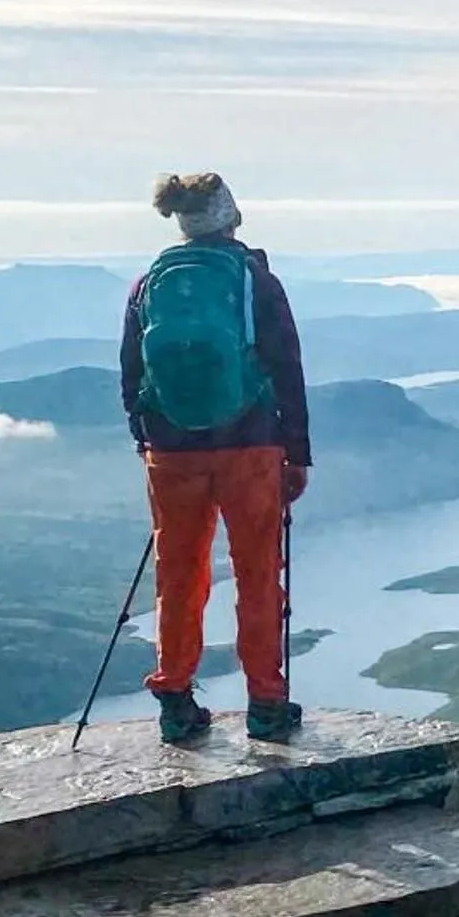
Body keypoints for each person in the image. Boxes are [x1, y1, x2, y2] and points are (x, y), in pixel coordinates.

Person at [120, 173, 312, 744]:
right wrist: (295, 453)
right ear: (231, 216)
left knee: (179, 575)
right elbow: (286, 368)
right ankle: (266, 706)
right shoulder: (255, 279)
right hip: (250, 444)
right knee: (257, 576)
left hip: (171, 451)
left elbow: (132, 372)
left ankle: (175, 701)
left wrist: (147, 439)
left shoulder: (148, 282)